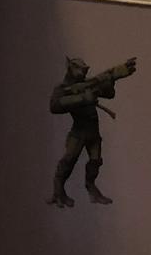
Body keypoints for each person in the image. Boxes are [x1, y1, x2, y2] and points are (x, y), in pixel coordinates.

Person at [48, 57, 136, 207]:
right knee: (68, 160)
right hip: (78, 132)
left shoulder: (87, 84)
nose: (83, 72)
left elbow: (109, 93)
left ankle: (92, 189)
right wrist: (82, 98)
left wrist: (112, 78)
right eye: (80, 69)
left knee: (95, 161)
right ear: (71, 68)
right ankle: (58, 191)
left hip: (92, 131)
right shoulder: (63, 88)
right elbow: (55, 106)